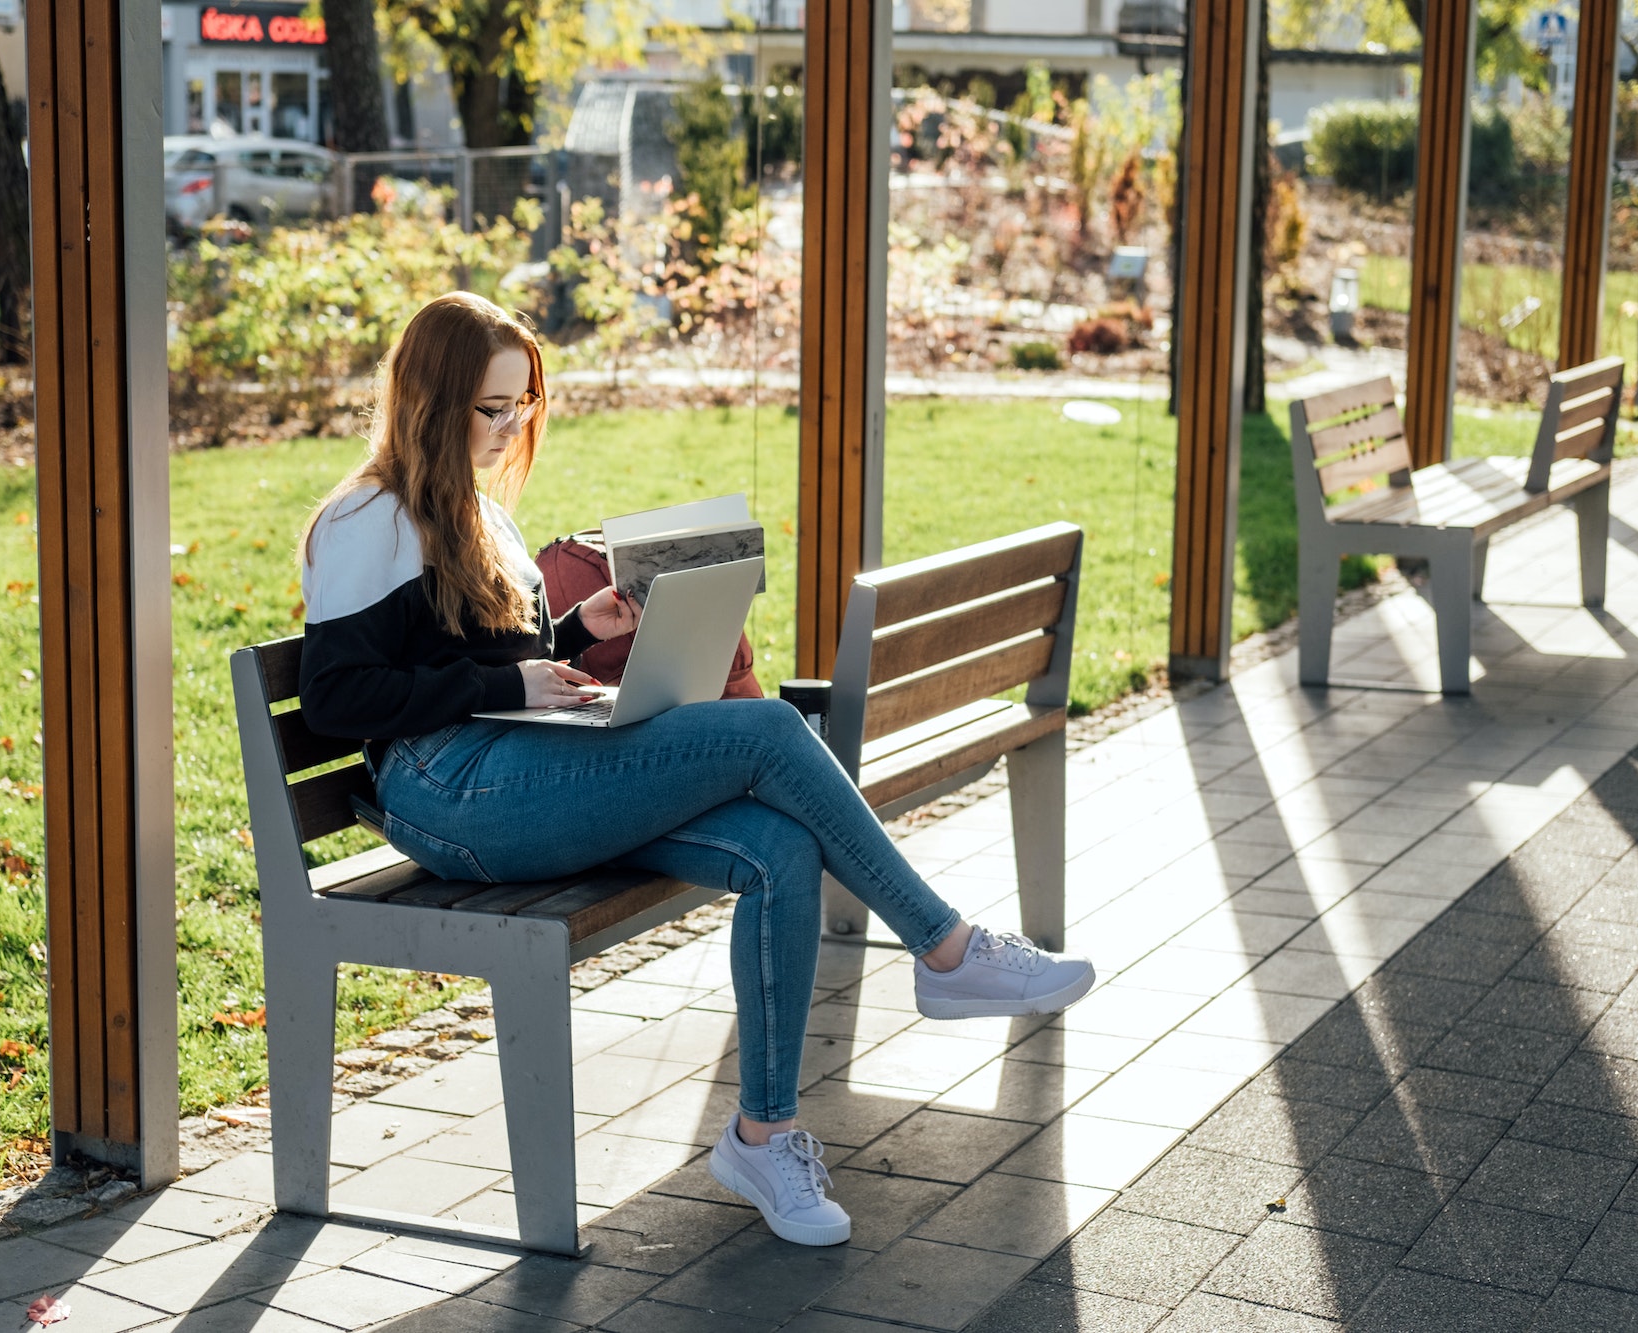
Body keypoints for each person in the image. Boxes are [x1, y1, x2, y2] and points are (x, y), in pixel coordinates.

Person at [297, 291, 1097, 1247]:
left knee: (776, 844)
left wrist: (568, 634)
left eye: (522, 405)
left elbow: (468, 659)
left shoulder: (479, 515)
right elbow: (339, 700)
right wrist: (509, 676)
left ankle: (765, 1133)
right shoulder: (366, 521)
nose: (511, 425)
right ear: (431, 400)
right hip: (450, 793)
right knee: (764, 733)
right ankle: (948, 949)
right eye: (492, 407)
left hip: (518, 764)